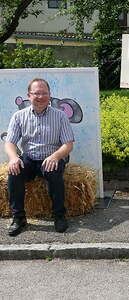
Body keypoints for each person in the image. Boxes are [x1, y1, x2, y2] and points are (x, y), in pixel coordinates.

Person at [4, 78, 74, 236]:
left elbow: (68, 144)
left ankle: (59, 215)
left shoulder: (60, 116)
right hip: (29, 158)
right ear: (29, 95)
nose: (40, 97)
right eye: (36, 93)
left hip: (51, 158)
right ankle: (19, 218)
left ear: (50, 95)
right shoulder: (18, 116)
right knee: (14, 172)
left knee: (54, 174)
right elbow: (9, 143)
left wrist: (56, 156)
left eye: (44, 93)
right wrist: (14, 158)